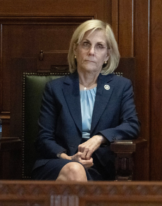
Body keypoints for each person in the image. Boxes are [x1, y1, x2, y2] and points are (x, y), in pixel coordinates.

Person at [32, 19, 140, 181]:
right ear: (75, 50)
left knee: (74, 174)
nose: (91, 51)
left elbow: (132, 125)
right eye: (85, 44)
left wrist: (99, 138)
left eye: (99, 46)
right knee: (74, 170)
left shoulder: (120, 87)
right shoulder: (55, 88)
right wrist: (68, 159)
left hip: (99, 166)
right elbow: (44, 137)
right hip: (58, 162)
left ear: (107, 55)